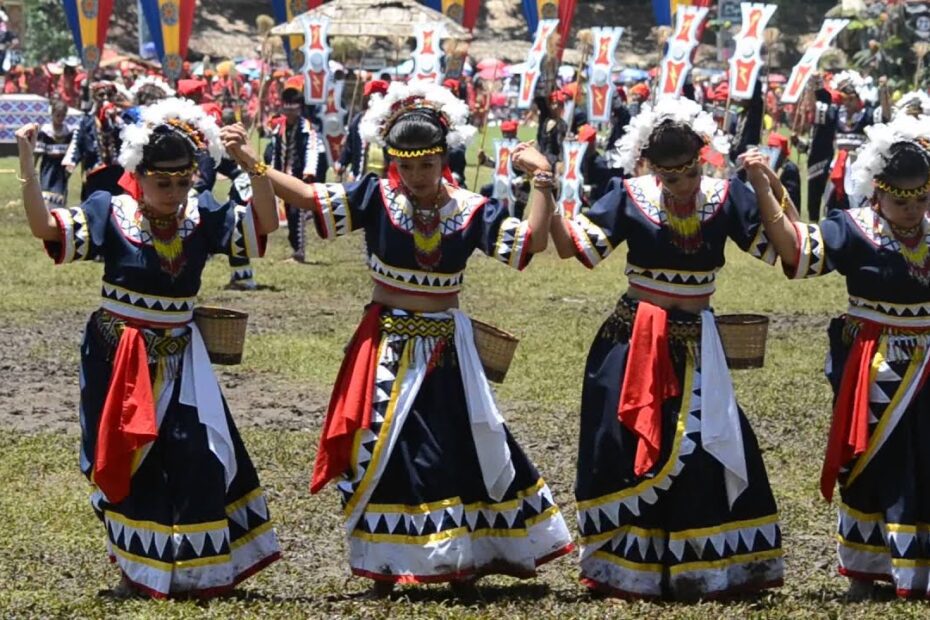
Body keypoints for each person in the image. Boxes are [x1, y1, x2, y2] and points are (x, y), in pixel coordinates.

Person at [263, 80, 574, 596]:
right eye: (405, 166)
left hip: (446, 352)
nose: (415, 176)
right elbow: (309, 198)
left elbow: (530, 246)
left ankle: (461, 559)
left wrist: (542, 181)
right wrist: (253, 165)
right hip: (384, 347)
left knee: (456, 448)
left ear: (443, 157)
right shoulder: (376, 196)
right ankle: (384, 563)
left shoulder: (472, 209)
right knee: (377, 454)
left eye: (425, 165)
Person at [14, 97, 281, 598]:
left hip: (182, 358)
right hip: (117, 357)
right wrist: (28, 165)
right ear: (139, 173)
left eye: (184, 181)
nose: (175, 192)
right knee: (127, 459)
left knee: (196, 457)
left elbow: (263, 223)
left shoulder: (201, 215)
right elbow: (44, 229)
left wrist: (250, 162)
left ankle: (196, 574)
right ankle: (133, 573)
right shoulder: (109, 212)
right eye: (164, 182)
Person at [538, 97, 785, 600]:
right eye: (671, 179)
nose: (683, 187)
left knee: (708, 445)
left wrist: (765, 182)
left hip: (698, 343)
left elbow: (785, 249)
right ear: (650, 167)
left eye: (691, 173)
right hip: (632, 342)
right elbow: (574, 250)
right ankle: (629, 568)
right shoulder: (629, 195)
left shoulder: (726, 196)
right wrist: (545, 183)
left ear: (703, 159)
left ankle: (709, 565)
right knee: (622, 447)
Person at [750, 114, 930, 601]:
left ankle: (920, 568)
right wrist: (766, 188)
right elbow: (793, 251)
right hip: (871, 367)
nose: (911, 211)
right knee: (872, 463)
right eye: (900, 200)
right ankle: (869, 569)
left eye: (922, 199)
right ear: (877, 191)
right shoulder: (853, 229)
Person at [264, 76, 324, 263]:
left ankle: (299, 252)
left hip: (299, 176)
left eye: (294, 106)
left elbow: (312, 149)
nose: (289, 111)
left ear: (299, 108)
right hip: (283, 175)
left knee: (296, 214)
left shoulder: (308, 128)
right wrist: (272, 172)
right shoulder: (279, 129)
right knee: (290, 214)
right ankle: (295, 249)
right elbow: (274, 152)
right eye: (286, 106)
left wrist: (309, 171)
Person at [34, 100, 72, 209]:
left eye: (63, 116)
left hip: (61, 167)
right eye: (58, 115)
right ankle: (45, 214)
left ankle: (58, 213)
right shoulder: (45, 131)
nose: (60, 118)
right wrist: (33, 166)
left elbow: (70, 152)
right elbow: (38, 152)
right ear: (52, 114)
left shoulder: (68, 131)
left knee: (60, 192)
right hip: (48, 166)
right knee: (46, 190)